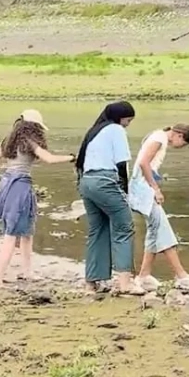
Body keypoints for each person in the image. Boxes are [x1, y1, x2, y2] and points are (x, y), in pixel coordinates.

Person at [0, 110, 74, 288]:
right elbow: (49, 159)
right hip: (19, 187)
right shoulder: (30, 142)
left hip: (6, 184)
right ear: (34, 127)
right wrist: (72, 157)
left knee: (27, 231)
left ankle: (26, 272)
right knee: (11, 235)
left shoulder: (8, 140)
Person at [130, 124, 189, 292]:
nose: (180, 147)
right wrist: (155, 189)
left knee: (154, 230)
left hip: (141, 189)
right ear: (179, 135)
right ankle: (182, 276)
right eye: (183, 143)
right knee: (164, 230)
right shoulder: (158, 138)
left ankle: (144, 276)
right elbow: (144, 163)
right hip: (144, 191)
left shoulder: (157, 136)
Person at [75, 101, 141, 295]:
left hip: (87, 182)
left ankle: (91, 282)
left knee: (98, 230)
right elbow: (121, 164)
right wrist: (125, 192)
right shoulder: (116, 130)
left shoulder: (94, 131)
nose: (128, 123)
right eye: (128, 119)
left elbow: (80, 163)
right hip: (105, 181)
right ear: (120, 118)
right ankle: (124, 282)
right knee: (124, 227)